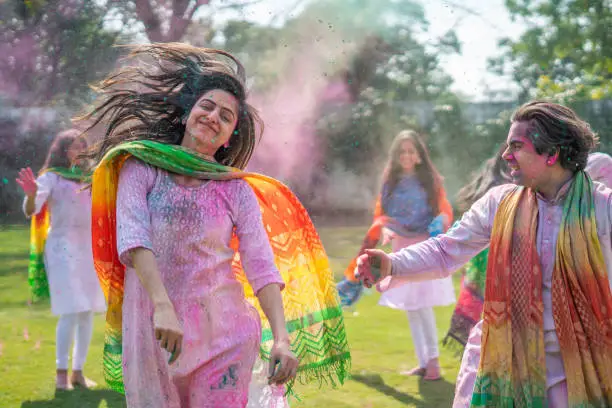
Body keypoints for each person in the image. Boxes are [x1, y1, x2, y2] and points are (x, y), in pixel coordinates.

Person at [80, 43, 350, 407]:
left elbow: (261, 265)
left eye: (226, 116)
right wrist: (162, 306)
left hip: (225, 336)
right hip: (154, 331)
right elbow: (133, 239)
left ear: (229, 137)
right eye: (207, 106)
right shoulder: (141, 168)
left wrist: (282, 338)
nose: (213, 117)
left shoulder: (234, 189)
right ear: (187, 114)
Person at [356, 101, 612, 407]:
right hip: (501, 364)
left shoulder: (603, 208)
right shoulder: (501, 203)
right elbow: (445, 250)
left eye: (516, 146)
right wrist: (393, 263)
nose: (506, 155)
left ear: (552, 154)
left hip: (577, 370)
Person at [340, 130, 455, 380]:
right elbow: (383, 215)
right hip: (401, 247)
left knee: (423, 305)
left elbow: (444, 210)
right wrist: (383, 228)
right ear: (396, 155)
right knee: (411, 307)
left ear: (419, 156)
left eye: (411, 151)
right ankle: (423, 362)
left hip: (425, 247)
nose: (406, 155)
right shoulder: (390, 184)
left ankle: (433, 362)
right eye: (401, 151)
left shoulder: (430, 182)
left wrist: (439, 223)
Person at [16, 129, 106, 390]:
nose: (79, 152)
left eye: (83, 147)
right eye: (74, 146)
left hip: (88, 250)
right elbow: (30, 210)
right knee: (70, 310)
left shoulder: (90, 179)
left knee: (87, 310)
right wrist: (32, 194)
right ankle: (60, 374)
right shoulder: (52, 178)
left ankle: (77, 372)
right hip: (61, 250)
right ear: (61, 150)